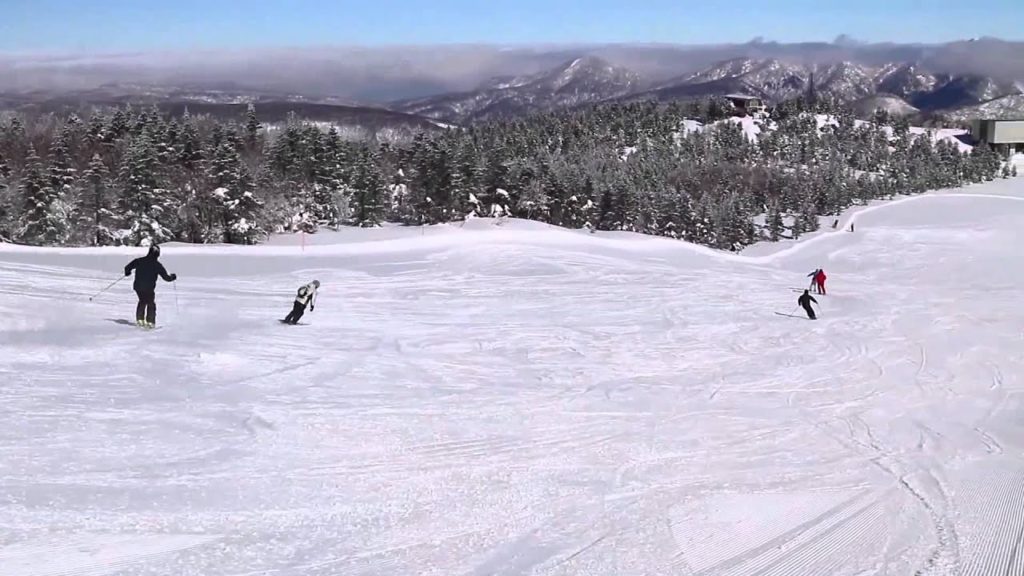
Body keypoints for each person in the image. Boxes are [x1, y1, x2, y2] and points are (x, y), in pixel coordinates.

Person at [124, 244, 177, 328]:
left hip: (138, 287)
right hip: (149, 288)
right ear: (157, 254)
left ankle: (140, 320)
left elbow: (127, 267)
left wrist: (127, 272)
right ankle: (150, 322)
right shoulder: (157, 265)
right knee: (150, 303)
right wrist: (172, 277)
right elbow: (166, 278)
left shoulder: (139, 261)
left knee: (142, 301)